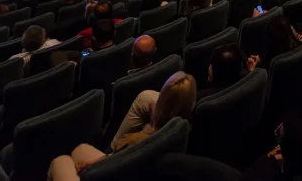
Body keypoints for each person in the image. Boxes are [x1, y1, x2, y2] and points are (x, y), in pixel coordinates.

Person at [49, 72, 198, 181]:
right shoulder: (184, 130)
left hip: (111, 172)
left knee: (60, 161)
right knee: (80, 149)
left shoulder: (140, 140)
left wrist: (91, 165)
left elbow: (113, 163)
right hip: (128, 166)